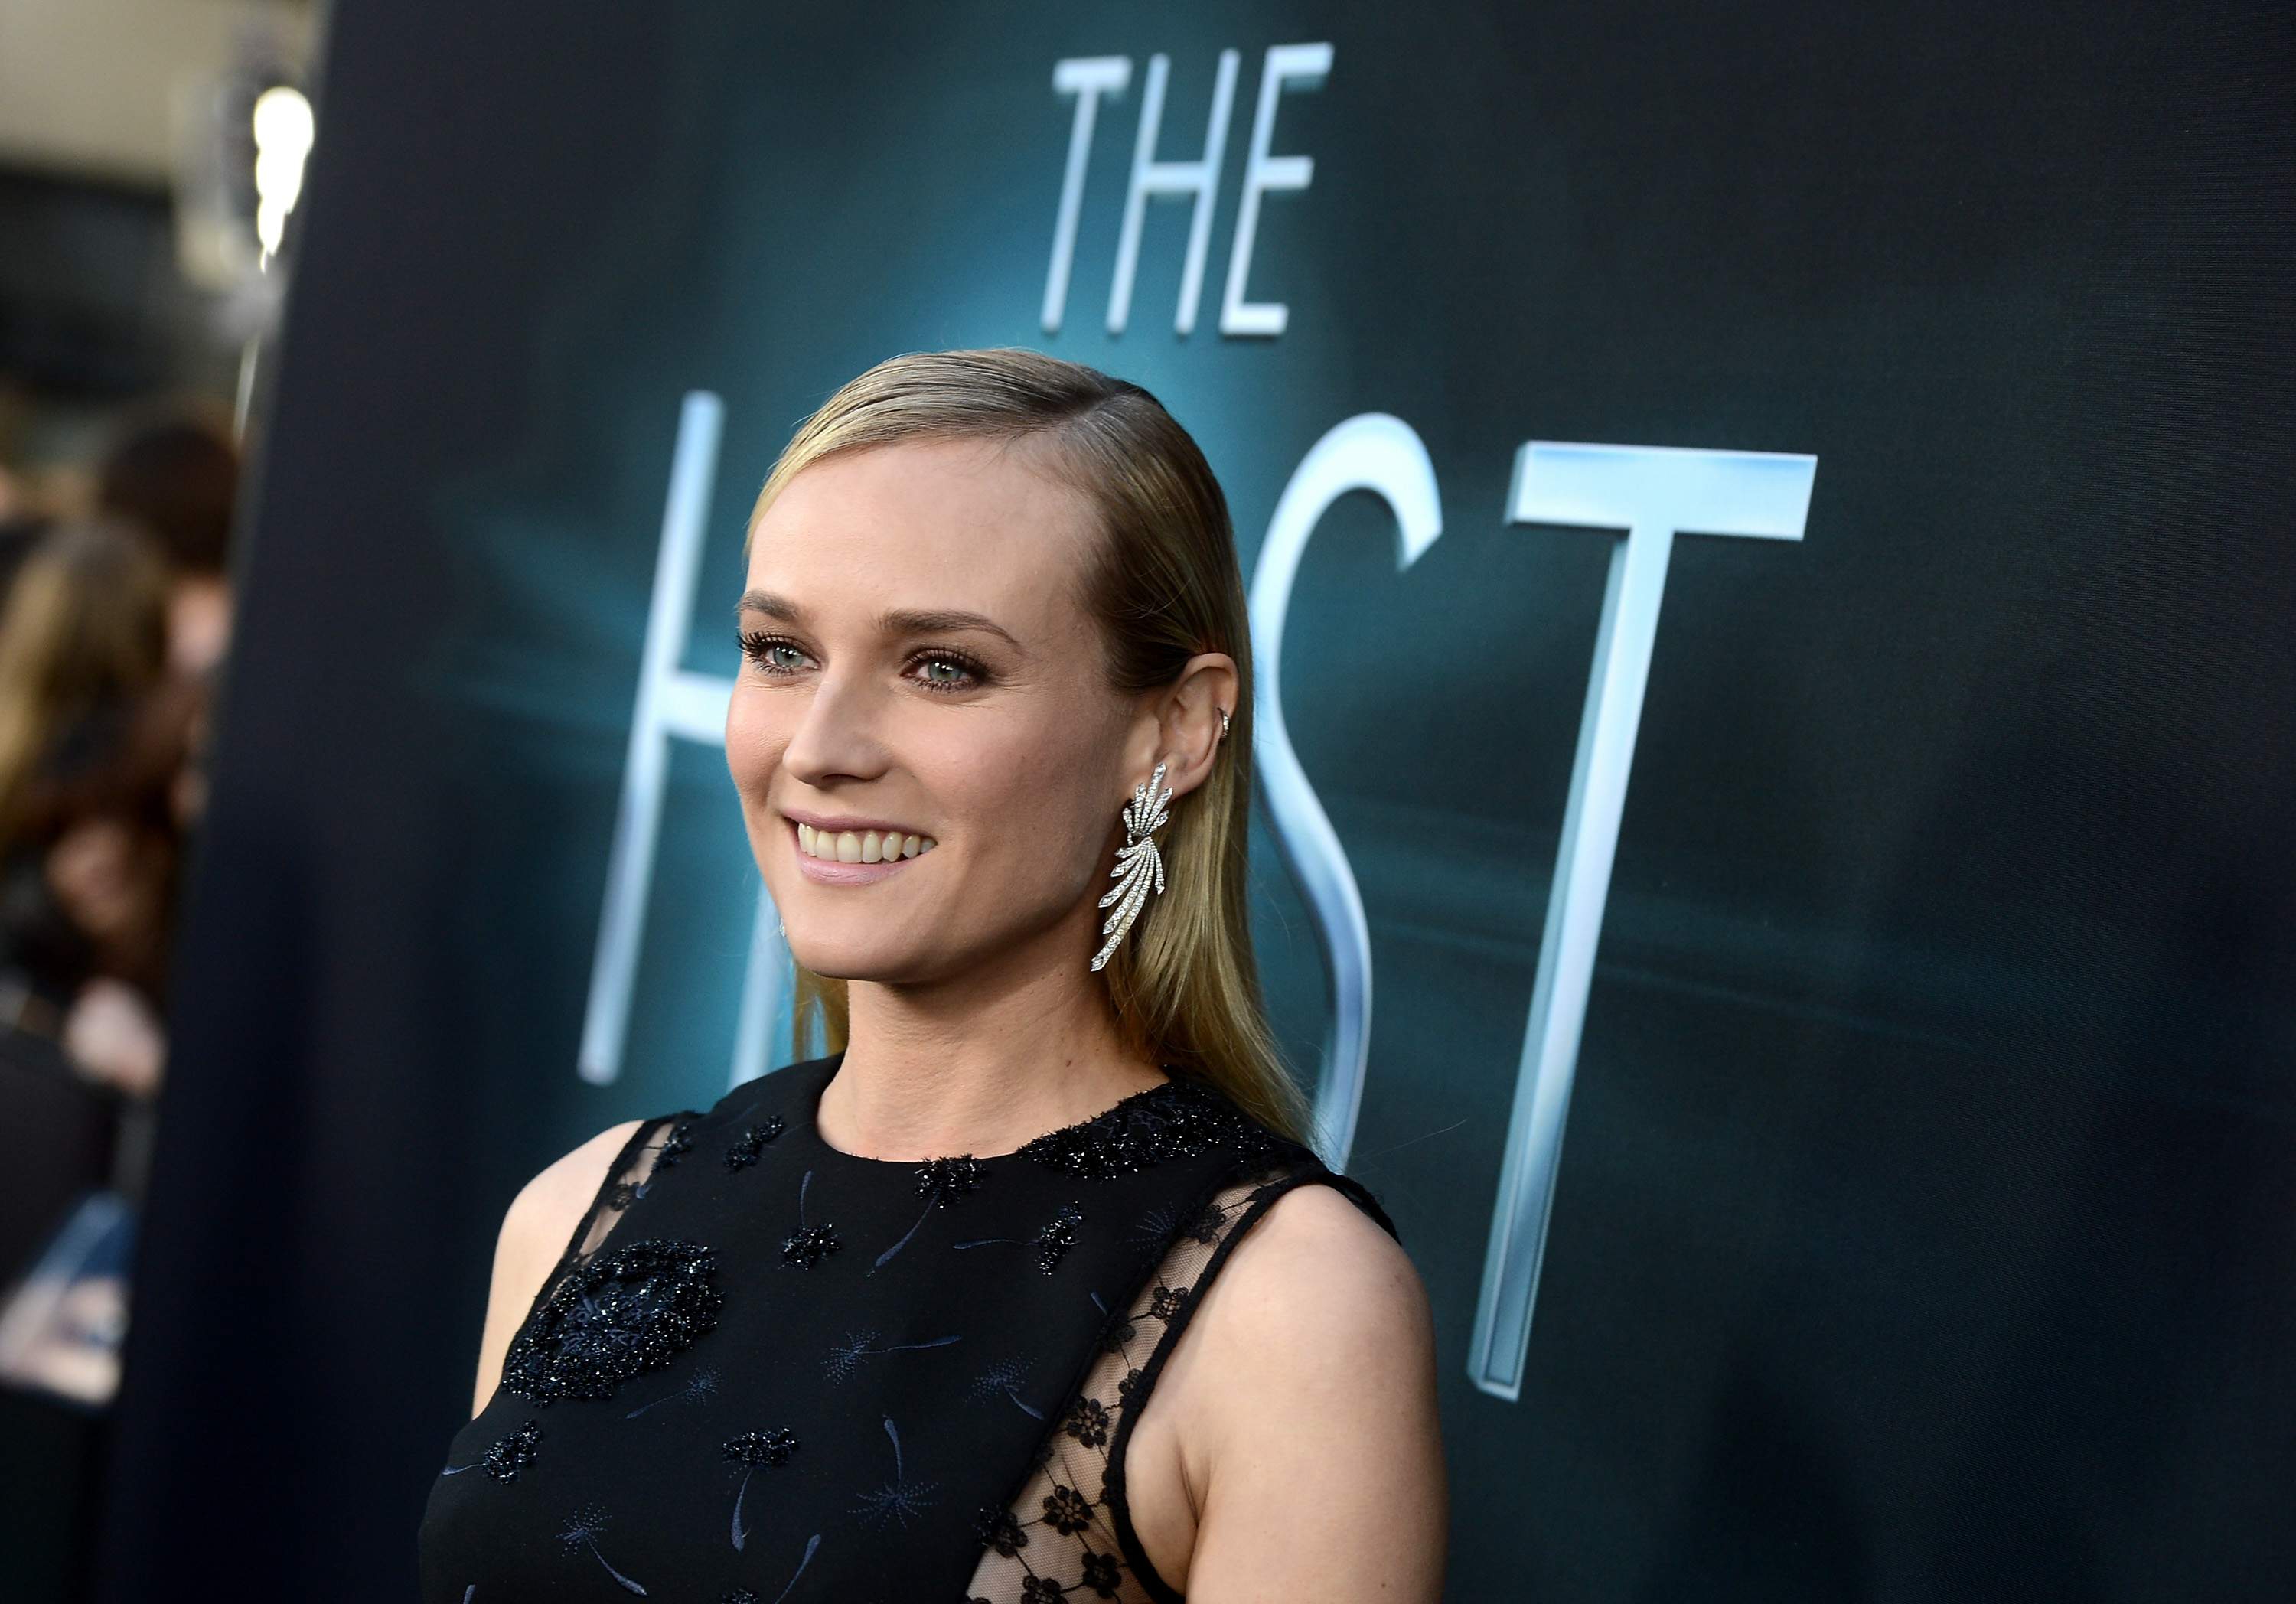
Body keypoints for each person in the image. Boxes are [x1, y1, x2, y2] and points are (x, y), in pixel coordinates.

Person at [419, 350, 1448, 1600]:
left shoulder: (1287, 1312)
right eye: (779, 651)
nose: (822, 747)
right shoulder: (581, 1215)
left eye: (942, 667)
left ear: (1172, 730)